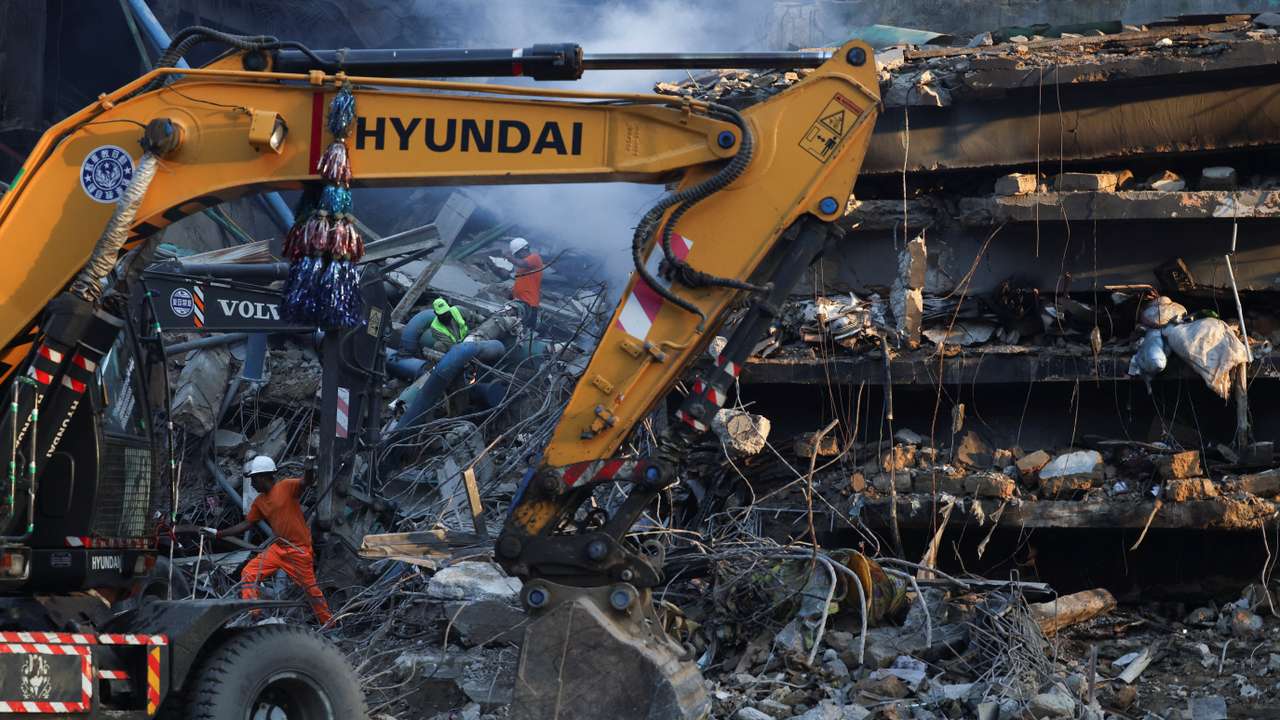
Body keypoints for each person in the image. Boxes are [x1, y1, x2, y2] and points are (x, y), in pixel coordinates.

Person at [208, 455, 333, 625]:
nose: (252, 484)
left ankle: (329, 623)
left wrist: (309, 468)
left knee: (311, 591)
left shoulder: (286, 487)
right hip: (279, 548)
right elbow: (247, 524)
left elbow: (307, 482)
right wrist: (218, 534)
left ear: (263, 477)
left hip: (298, 550)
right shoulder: (259, 502)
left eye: (253, 479)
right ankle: (253, 614)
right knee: (249, 573)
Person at [503, 237, 543, 328]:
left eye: (517, 254)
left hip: (529, 303)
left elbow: (521, 263)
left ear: (524, 249)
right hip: (519, 302)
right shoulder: (523, 267)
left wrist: (509, 257)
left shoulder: (535, 258)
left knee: (525, 329)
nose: (517, 256)